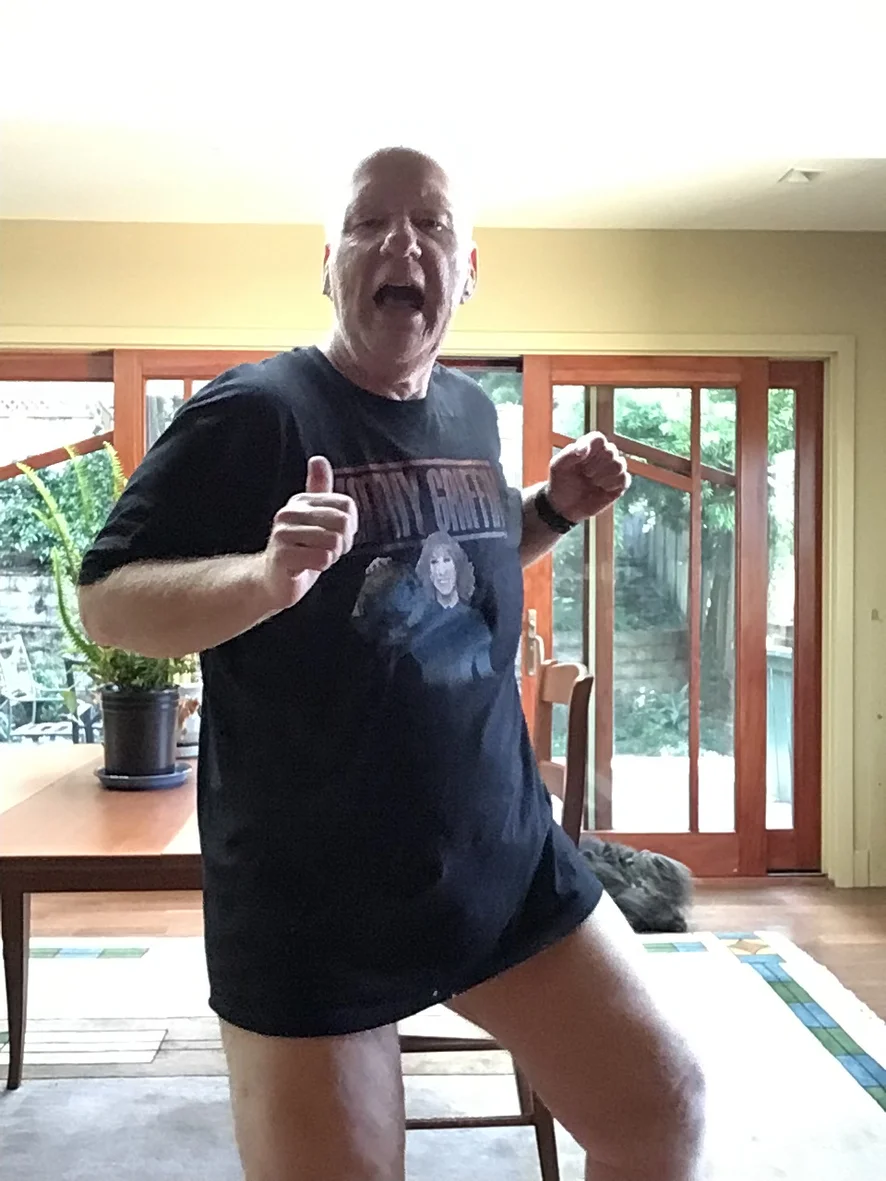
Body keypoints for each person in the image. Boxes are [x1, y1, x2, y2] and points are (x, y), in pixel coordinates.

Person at [78, 147, 705, 1181]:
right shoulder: (254, 411)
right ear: (327, 264)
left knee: (662, 1105)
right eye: (369, 223)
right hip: (313, 910)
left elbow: (445, 563)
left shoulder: (471, 411)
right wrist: (265, 578)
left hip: (501, 863)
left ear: (468, 270)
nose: (401, 243)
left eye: (431, 225)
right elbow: (108, 599)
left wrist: (549, 511)